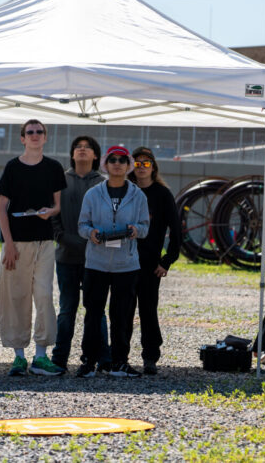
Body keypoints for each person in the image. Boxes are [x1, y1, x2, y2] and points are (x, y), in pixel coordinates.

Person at [0, 119, 67, 376]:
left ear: (45, 137)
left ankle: (40, 355)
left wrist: (51, 212)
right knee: (16, 297)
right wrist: (9, 244)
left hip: (45, 242)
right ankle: (18, 356)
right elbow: (2, 207)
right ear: (23, 138)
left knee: (44, 295)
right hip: (17, 242)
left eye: (40, 131)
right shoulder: (13, 167)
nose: (35, 135)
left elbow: (57, 206)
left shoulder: (54, 167)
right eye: (30, 132)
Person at [76, 145, 150, 378]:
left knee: (122, 315)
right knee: (93, 313)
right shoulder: (92, 194)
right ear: (105, 165)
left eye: (122, 160)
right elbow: (81, 226)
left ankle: (119, 362)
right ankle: (89, 361)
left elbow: (146, 227)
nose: (117, 164)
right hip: (96, 263)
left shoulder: (138, 196)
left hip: (126, 265)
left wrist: (135, 230)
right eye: (112, 159)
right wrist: (92, 234)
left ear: (129, 166)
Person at [50, 136, 110, 373]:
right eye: (78, 147)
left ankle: (101, 357)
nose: (82, 150)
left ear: (96, 156)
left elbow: (108, 219)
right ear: (72, 154)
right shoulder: (59, 180)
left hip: (96, 259)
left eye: (88, 148)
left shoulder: (103, 184)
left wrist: (92, 244)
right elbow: (53, 215)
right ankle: (59, 358)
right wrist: (64, 238)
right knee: (67, 309)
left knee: (96, 310)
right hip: (65, 256)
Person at [127, 146, 183, 375]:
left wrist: (167, 260)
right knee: (123, 311)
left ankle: (150, 357)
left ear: (153, 167)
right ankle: (119, 356)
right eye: (137, 163)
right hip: (124, 261)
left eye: (146, 163)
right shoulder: (125, 191)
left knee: (148, 310)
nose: (141, 167)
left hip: (150, 264)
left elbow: (177, 231)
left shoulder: (162, 194)